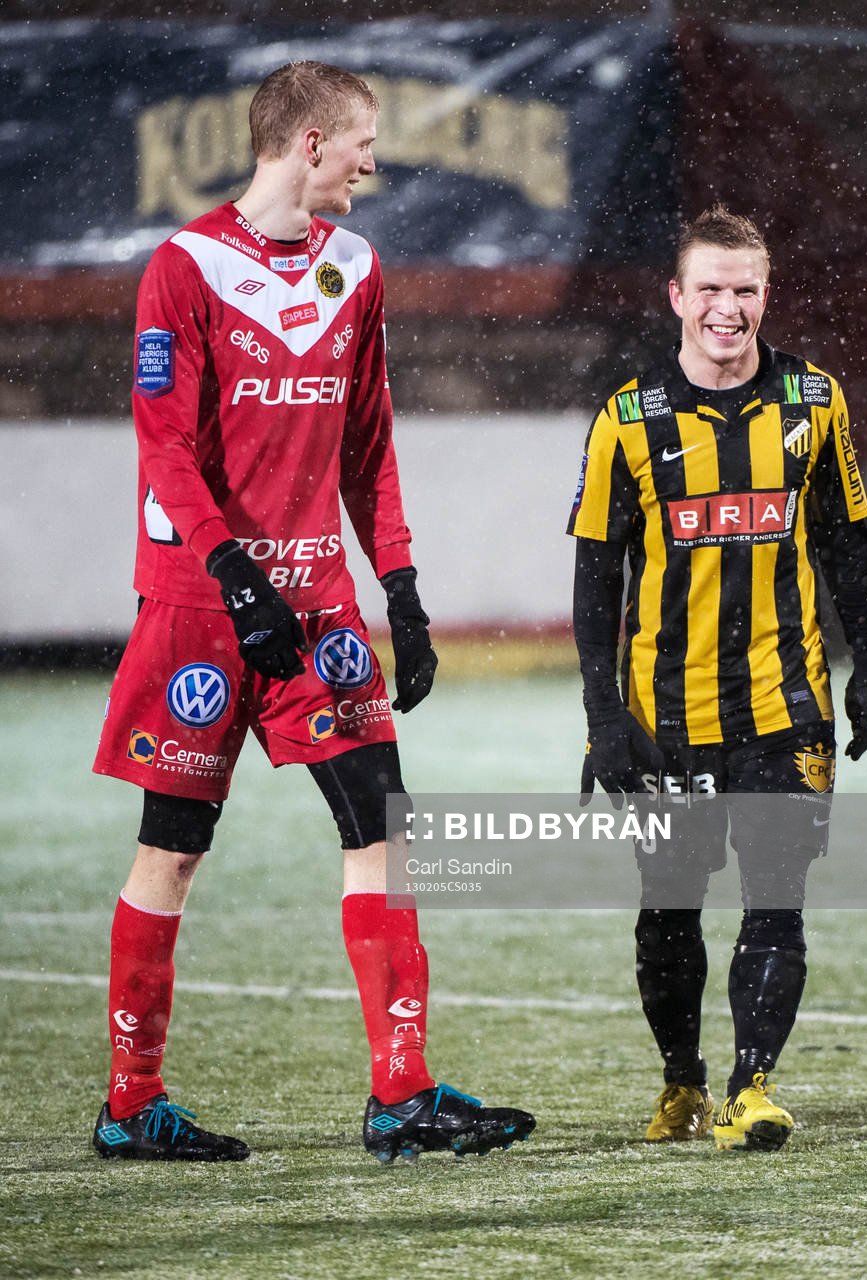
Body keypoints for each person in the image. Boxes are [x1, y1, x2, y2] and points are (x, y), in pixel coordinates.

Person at [91, 61, 534, 1165]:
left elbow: (368, 443)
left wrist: (404, 587)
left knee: (381, 819)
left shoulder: (357, 268)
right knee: (173, 848)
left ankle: (403, 1092)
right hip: (200, 606)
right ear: (305, 146)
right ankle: (130, 1101)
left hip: (322, 607)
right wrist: (236, 577)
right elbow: (165, 454)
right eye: (362, 143)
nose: (373, 162)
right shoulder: (182, 269)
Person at [567, 204, 867, 1152]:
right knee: (667, 913)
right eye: (708, 287)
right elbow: (595, 584)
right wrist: (602, 716)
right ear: (675, 296)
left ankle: (754, 1088)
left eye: (743, 289)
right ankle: (683, 1086)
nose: (726, 308)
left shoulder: (812, 402)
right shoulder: (627, 421)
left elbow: (844, 543)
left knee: (775, 898)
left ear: (764, 294)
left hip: (786, 707)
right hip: (666, 718)